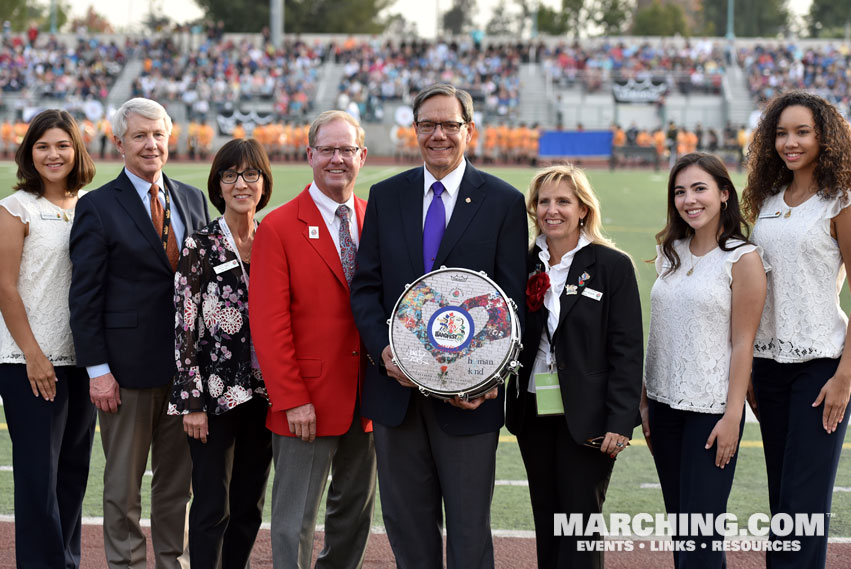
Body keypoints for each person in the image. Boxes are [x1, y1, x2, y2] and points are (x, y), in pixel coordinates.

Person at [350, 83, 528, 568]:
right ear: (415, 131)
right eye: (428, 124)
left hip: (468, 402)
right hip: (397, 394)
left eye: (450, 124)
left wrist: (487, 377)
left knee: (470, 536)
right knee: (409, 533)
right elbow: (366, 288)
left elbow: (511, 304)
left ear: (469, 131)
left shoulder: (503, 202)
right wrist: (384, 351)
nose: (438, 135)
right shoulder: (386, 196)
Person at [69, 97, 210, 569]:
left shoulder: (191, 198)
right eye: (140, 136)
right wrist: (98, 370)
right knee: (123, 485)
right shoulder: (97, 207)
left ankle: (173, 561)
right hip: (125, 374)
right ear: (119, 143)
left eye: (158, 135)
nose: (151, 145)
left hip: (184, 373)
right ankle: (126, 564)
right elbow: (85, 297)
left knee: (176, 484)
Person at [250, 110, 377, 569]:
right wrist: (291, 398)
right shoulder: (279, 226)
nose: (337, 159)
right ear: (310, 156)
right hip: (307, 399)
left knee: (354, 516)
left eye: (347, 150)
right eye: (328, 149)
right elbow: (268, 323)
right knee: (294, 521)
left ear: (362, 156)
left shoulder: (374, 219)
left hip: (370, 397)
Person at [504, 164, 642, 569]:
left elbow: (628, 349)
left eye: (563, 201)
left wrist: (620, 420)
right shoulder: (522, 263)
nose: (552, 210)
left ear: (583, 208)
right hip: (533, 411)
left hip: (590, 416)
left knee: (579, 524)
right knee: (546, 519)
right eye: (543, 201)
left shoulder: (612, 265)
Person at [742, 90, 851, 568]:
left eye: (803, 132)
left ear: (824, 137)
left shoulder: (841, 202)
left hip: (821, 367)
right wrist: (745, 368)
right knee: (782, 502)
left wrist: (845, 377)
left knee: (802, 509)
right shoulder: (766, 200)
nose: (791, 142)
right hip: (768, 367)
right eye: (782, 132)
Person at [642, 153, 768, 567]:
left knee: (701, 536)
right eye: (680, 191)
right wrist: (645, 400)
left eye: (699, 189)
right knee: (683, 531)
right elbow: (660, 329)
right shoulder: (670, 252)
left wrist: (734, 416)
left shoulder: (742, 258)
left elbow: (743, 343)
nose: (689, 200)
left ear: (724, 194)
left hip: (709, 413)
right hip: (663, 408)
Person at [169, 138, 273, 568]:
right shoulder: (201, 243)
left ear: (264, 183)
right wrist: (191, 401)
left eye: (251, 174)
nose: (241, 184)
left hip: (267, 394)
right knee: (213, 504)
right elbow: (183, 325)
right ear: (218, 185)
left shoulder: (275, 239)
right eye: (230, 175)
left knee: (249, 504)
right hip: (213, 395)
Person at [0, 109, 96, 569]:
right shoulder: (16, 207)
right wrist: (34, 356)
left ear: (76, 149)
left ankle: (67, 562)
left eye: (62, 145)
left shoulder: (91, 205)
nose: (53, 154)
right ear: (29, 153)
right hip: (29, 363)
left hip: (84, 362)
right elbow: (5, 287)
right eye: (42, 146)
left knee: (73, 473)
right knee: (39, 479)